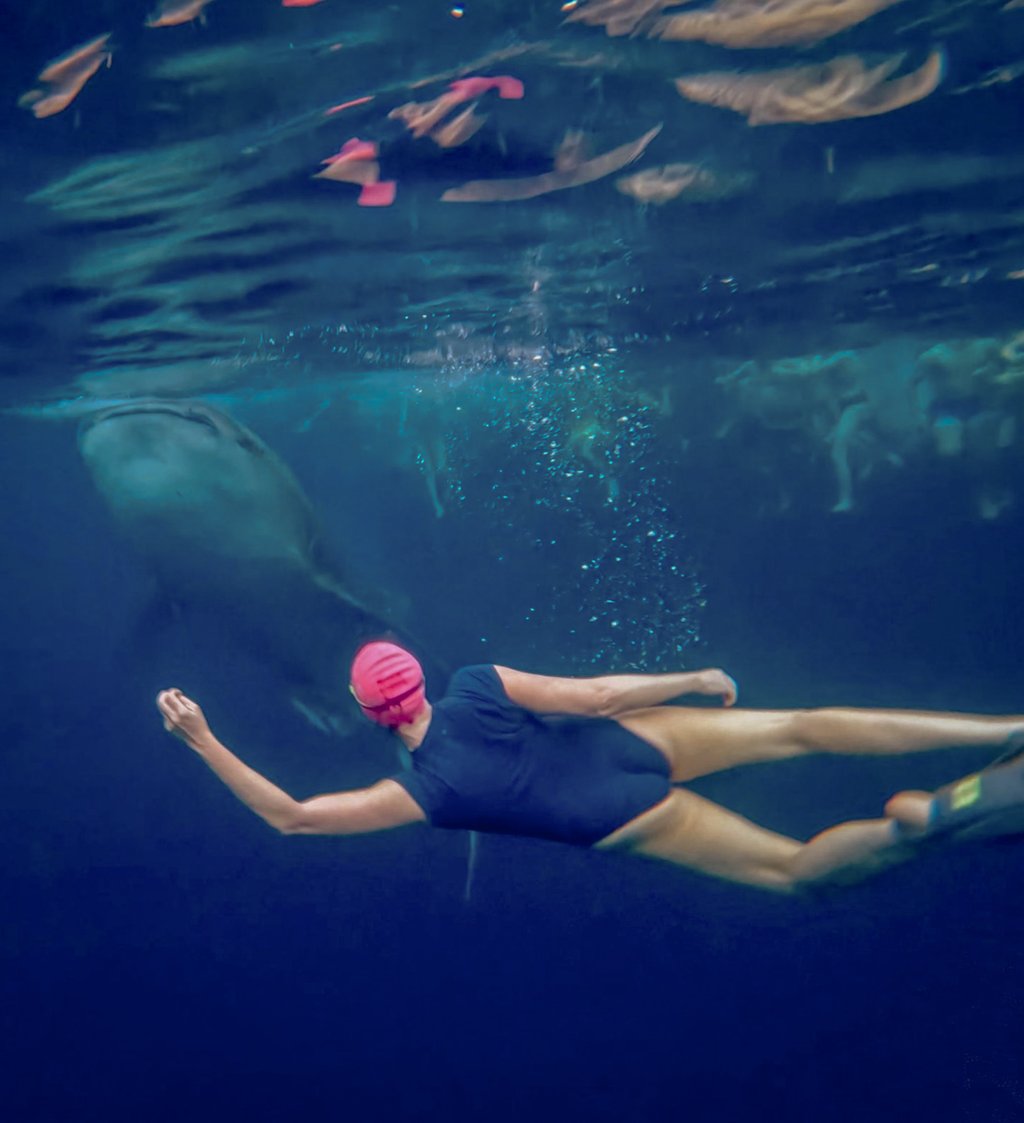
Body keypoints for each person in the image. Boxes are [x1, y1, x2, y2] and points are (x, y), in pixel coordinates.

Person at [156, 641, 1024, 893]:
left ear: (363, 707)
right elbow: (603, 694)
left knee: (793, 869)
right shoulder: (478, 683)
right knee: (802, 725)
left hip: (610, 816)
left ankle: (919, 826)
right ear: (419, 675)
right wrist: (691, 678)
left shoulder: (422, 794)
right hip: (634, 740)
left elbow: (293, 816)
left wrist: (202, 737)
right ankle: (1002, 724)